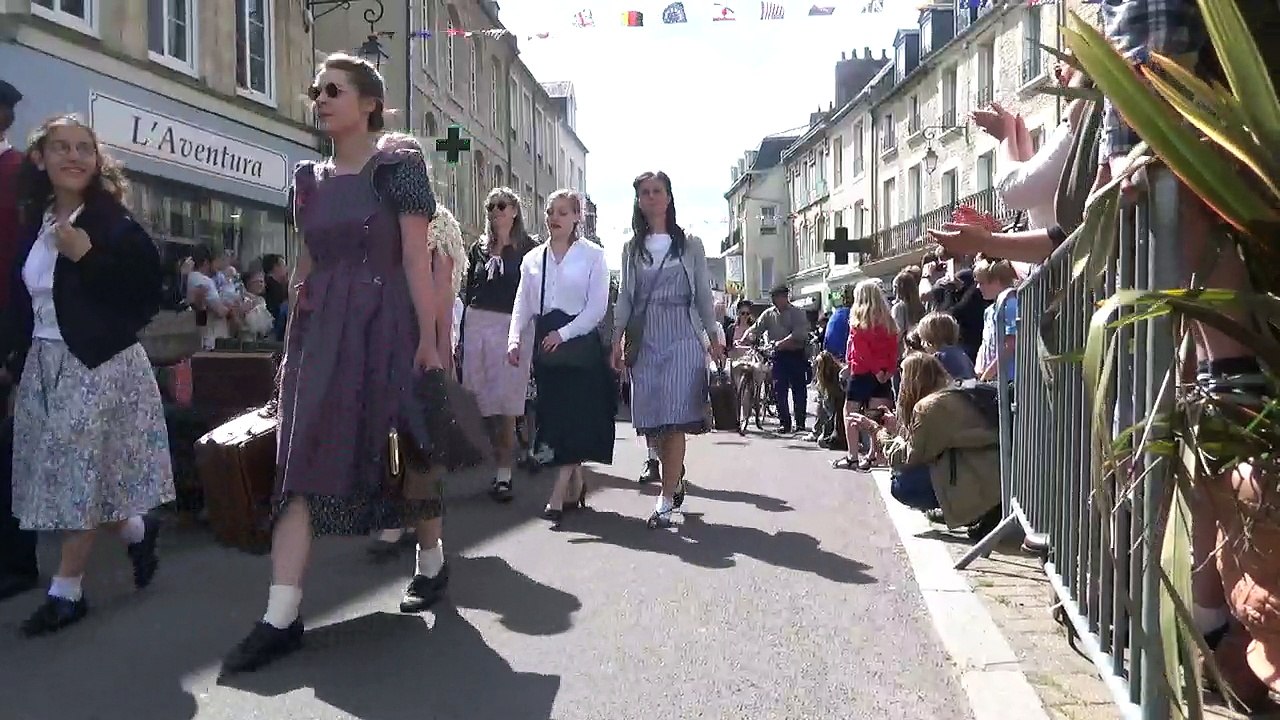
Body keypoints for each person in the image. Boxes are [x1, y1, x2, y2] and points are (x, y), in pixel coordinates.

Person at [221, 54, 447, 674]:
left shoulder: (399, 169)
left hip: (387, 324)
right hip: (320, 331)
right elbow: (307, 261)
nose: (320, 99)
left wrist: (429, 341)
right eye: (316, 90)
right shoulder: (307, 179)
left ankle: (431, 559)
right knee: (298, 460)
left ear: (369, 104)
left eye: (334, 91)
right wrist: (293, 330)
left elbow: (415, 258)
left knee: (405, 450)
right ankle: (280, 615)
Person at [4, 114, 171, 635]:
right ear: (40, 158)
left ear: (97, 162)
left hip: (97, 361)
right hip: (44, 362)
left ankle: (67, 591)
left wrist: (87, 256)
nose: (74, 156)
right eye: (62, 147)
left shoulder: (111, 221)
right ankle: (138, 530)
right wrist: (11, 357)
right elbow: (23, 298)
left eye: (84, 148)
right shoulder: (36, 220)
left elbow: (146, 291)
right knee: (71, 474)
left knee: (76, 472)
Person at [611, 171, 723, 524]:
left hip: (682, 335)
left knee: (674, 419)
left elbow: (702, 294)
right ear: (638, 200)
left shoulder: (690, 244)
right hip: (645, 336)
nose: (651, 197)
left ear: (669, 197)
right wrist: (616, 339)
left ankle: (665, 498)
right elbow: (625, 297)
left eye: (657, 191)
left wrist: (714, 337)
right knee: (653, 420)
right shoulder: (631, 248)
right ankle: (674, 476)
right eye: (644, 192)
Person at [510, 189, 614, 526]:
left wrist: (564, 334)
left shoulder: (593, 256)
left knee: (573, 418)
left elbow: (596, 308)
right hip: (546, 349)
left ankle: (556, 496)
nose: (554, 218)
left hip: (579, 348)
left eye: (563, 212)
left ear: (576, 217)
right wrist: (514, 340)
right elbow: (522, 303)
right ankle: (576, 480)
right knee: (553, 421)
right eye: (550, 211)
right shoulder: (532, 259)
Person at [854, 353, 1001, 540]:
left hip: (982, 475)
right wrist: (896, 428)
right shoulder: (953, 391)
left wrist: (876, 431)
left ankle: (971, 509)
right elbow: (929, 439)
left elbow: (906, 457)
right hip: (991, 468)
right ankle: (979, 510)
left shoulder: (928, 407)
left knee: (901, 482)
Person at [459, 186, 537, 503]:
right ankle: (495, 460)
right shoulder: (477, 248)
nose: (494, 212)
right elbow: (468, 289)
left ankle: (504, 473)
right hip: (477, 324)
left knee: (505, 403)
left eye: (501, 206)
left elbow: (534, 294)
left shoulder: (529, 250)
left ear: (514, 211)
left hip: (511, 327)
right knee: (481, 401)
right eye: (490, 207)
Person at [0, 78, 40, 603]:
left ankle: (16, 561)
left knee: (11, 451)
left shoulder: (18, 176)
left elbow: (24, 266)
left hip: (10, 324)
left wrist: (13, 344)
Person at [834, 279, 898, 471]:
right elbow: (894, 350)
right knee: (877, 415)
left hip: (862, 372)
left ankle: (853, 456)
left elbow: (862, 352)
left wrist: (875, 370)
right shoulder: (889, 321)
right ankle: (874, 455)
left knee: (851, 413)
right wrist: (887, 371)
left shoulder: (858, 321)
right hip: (884, 374)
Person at [738, 285, 810, 434]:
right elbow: (756, 328)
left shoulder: (797, 313)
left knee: (798, 389)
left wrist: (781, 343)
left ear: (785, 297)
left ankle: (800, 423)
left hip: (796, 354)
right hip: (779, 356)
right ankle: (785, 423)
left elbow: (799, 334)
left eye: (776, 297)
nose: (774, 301)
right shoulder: (769, 314)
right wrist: (744, 338)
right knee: (779, 390)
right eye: (772, 298)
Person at [915, 312, 976, 381]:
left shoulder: (938, 358)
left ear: (930, 340)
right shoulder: (962, 354)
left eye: (923, 340)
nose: (922, 344)